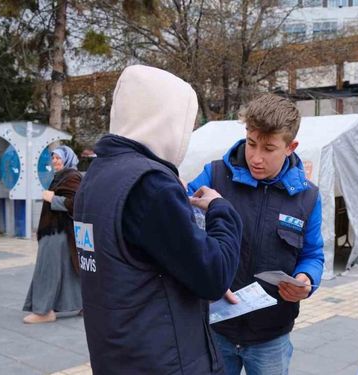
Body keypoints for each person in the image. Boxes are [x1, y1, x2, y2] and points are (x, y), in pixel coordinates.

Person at [73, 65, 243, 374]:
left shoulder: (97, 175)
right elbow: (214, 276)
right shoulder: (150, 185)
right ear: (167, 121)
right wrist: (221, 210)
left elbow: (135, 265)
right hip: (162, 360)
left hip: (119, 353)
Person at [187, 94, 325, 375]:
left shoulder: (308, 196)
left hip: (271, 336)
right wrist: (203, 275)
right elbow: (181, 227)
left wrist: (305, 280)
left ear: (291, 147)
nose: (256, 157)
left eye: (269, 148)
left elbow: (313, 254)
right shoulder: (214, 175)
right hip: (215, 329)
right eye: (251, 144)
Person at [23, 145, 83, 324]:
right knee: (68, 270)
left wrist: (52, 198)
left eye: (58, 158)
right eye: (54, 158)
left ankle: (44, 311)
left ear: (68, 159)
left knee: (47, 270)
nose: (55, 161)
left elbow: (77, 203)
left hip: (59, 232)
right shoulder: (61, 177)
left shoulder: (72, 176)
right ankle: (86, 303)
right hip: (56, 231)